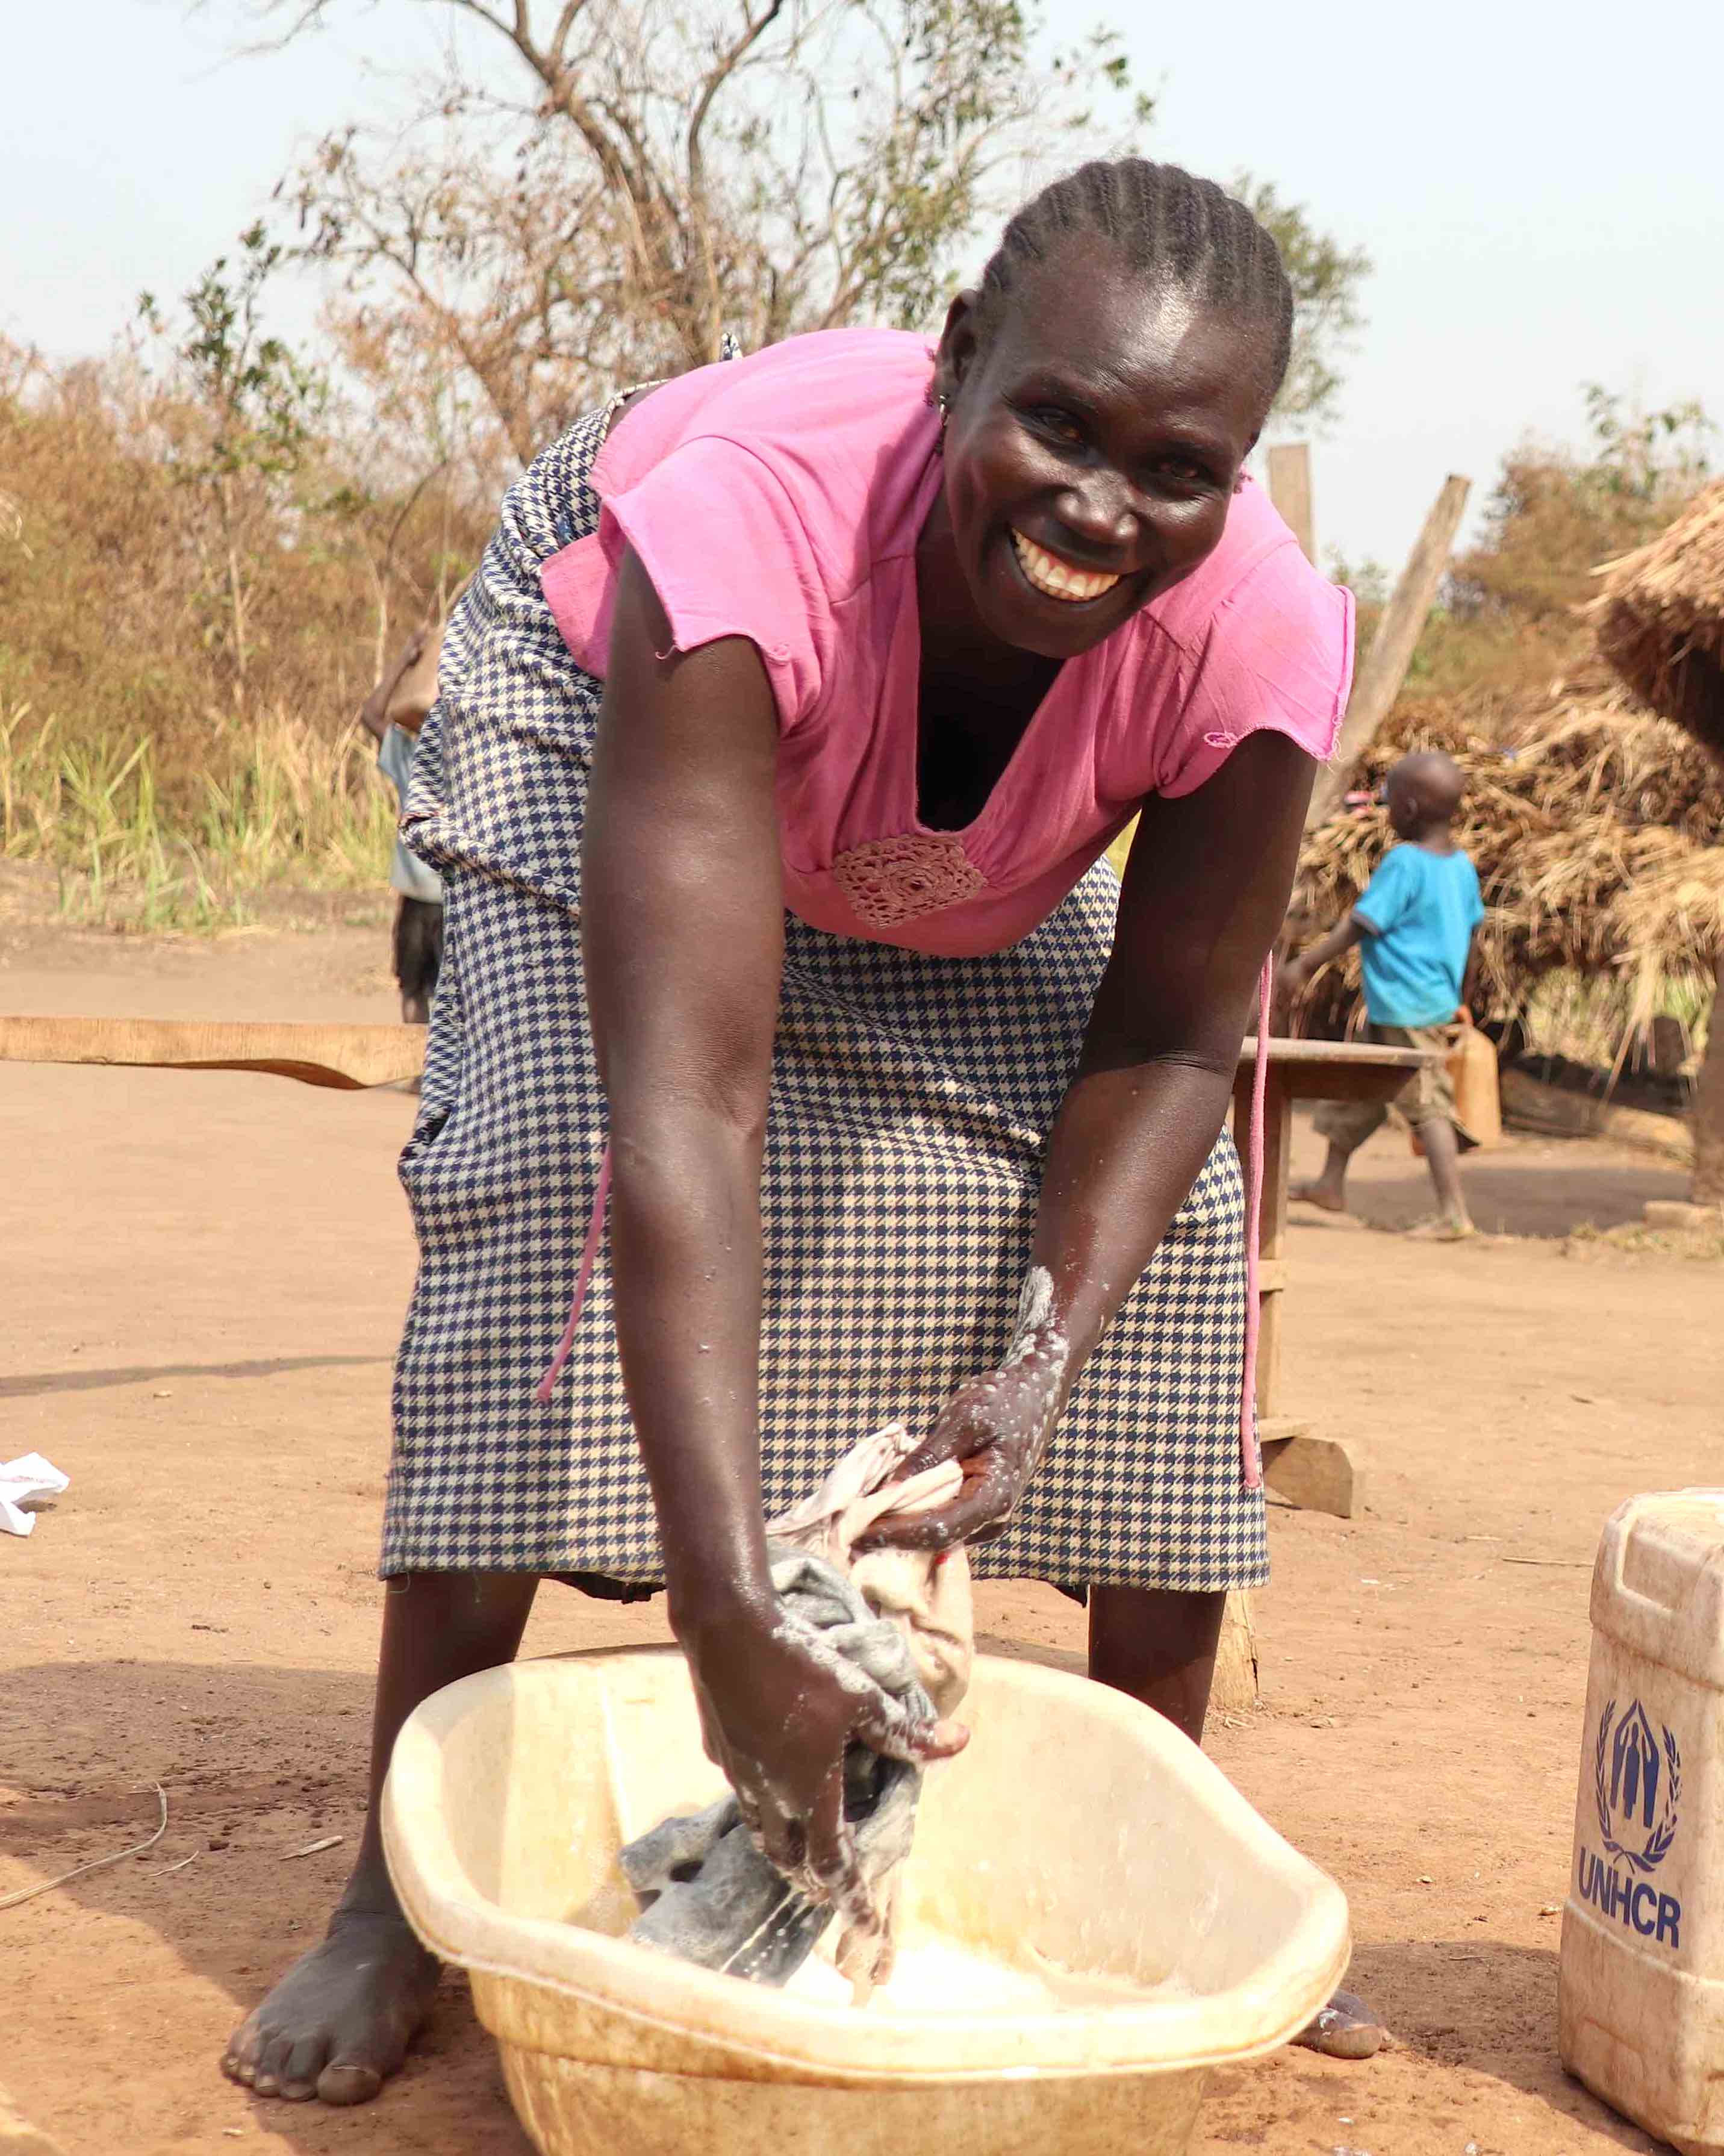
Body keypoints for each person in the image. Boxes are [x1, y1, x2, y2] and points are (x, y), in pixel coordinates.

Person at [222, 158, 1392, 2107]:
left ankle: (1169, 1869)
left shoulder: (1252, 635)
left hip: (949, 862)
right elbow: (689, 1089)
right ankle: (385, 1905)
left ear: (1242, 476)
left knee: (1158, 1250)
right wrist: (723, 1606)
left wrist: (1037, 1369)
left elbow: (1179, 1040)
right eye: (1055, 424)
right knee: (553, 1171)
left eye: (1176, 470)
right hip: (614, 687)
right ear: (955, 368)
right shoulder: (754, 515)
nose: (1102, 507)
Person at [1285, 750, 1485, 1238]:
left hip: (1406, 1005)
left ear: (1410, 809)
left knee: (1426, 1104)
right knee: (1360, 1089)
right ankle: (1331, 1183)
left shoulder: (1404, 864)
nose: (1386, 809)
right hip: (1421, 1000)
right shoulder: (1461, 867)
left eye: (1389, 800)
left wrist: (1304, 964)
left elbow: (1361, 924)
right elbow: (1474, 940)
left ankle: (1453, 1213)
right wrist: (1460, 995)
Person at [354, 633, 445, 1023]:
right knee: (414, 987)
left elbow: (372, 716)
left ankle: (434, 1073)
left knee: (435, 992)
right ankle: (420, 1070)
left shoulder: (470, 768)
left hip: (452, 903)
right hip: (420, 901)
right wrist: (404, 661)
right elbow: (372, 715)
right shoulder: (413, 759)